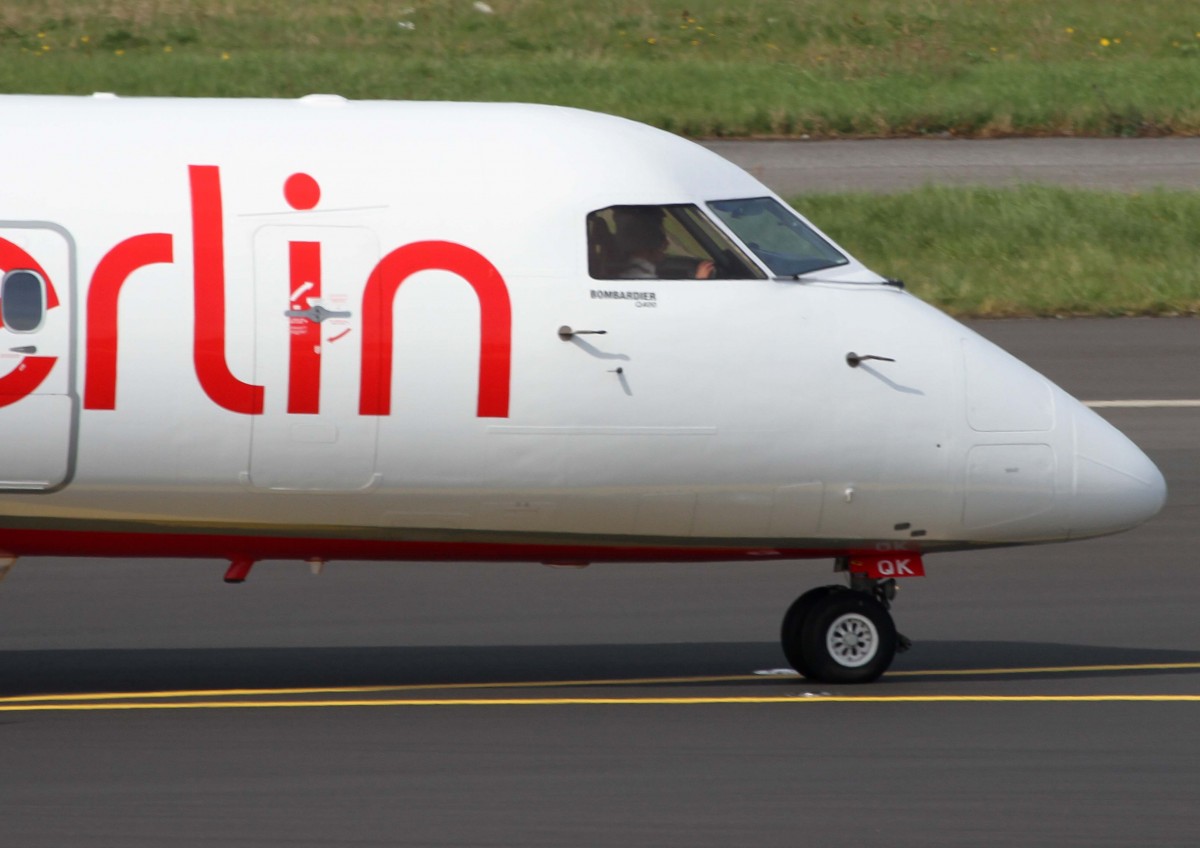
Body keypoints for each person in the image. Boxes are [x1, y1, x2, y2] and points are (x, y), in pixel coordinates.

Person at [612, 207, 714, 280]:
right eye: (659, 237)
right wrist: (700, 282)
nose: (666, 244)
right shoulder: (639, 277)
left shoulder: (632, 270)